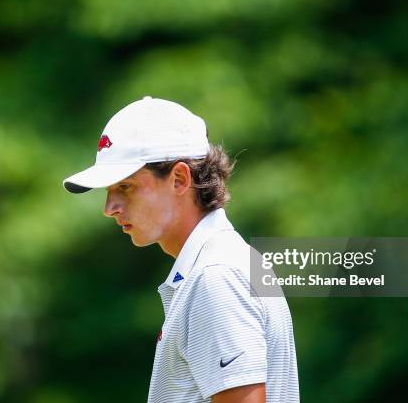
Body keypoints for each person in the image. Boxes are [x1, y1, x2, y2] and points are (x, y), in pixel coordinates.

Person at [63, 96, 300, 403]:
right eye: (109, 191)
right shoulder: (221, 265)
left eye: (125, 186)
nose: (109, 208)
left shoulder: (215, 277)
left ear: (179, 179)